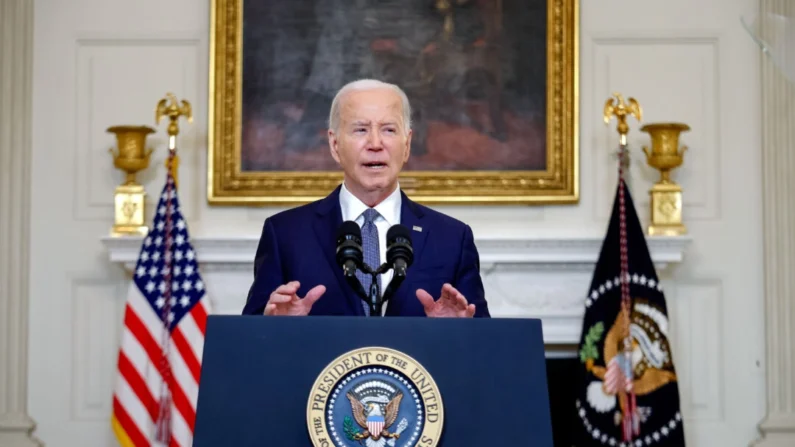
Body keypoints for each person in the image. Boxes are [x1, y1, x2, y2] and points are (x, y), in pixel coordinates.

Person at [241, 79, 490, 318]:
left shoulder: (452, 238)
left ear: (407, 144)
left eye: (389, 130)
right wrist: (274, 327)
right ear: (335, 144)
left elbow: (485, 343)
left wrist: (457, 333)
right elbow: (249, 342)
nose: (375, 143)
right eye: (361, 129)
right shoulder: (285, 234)